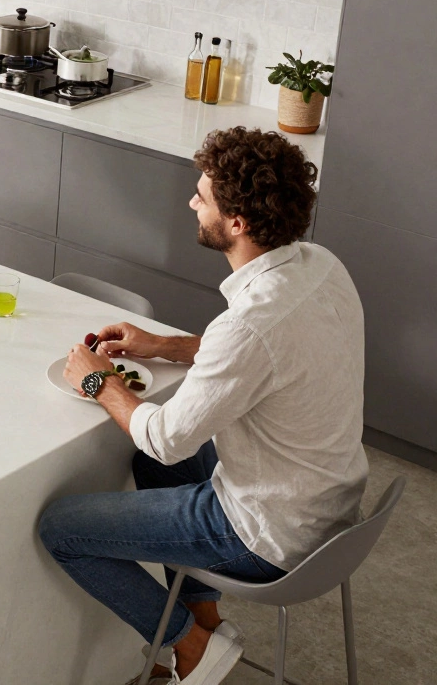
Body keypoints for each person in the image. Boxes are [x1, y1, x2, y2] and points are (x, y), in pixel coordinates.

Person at [38, 127, 369, 685]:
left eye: (203, 196)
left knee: (61, 529)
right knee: (151, 467)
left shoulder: (249, 323)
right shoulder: (319, 265)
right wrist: (163, 346)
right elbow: (269, 358)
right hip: (330, 510)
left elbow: (166, 436)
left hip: (268, 533)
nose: (192, 201)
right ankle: (208, 617)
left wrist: (99, 383)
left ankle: (188, 645)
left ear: (236, 224)